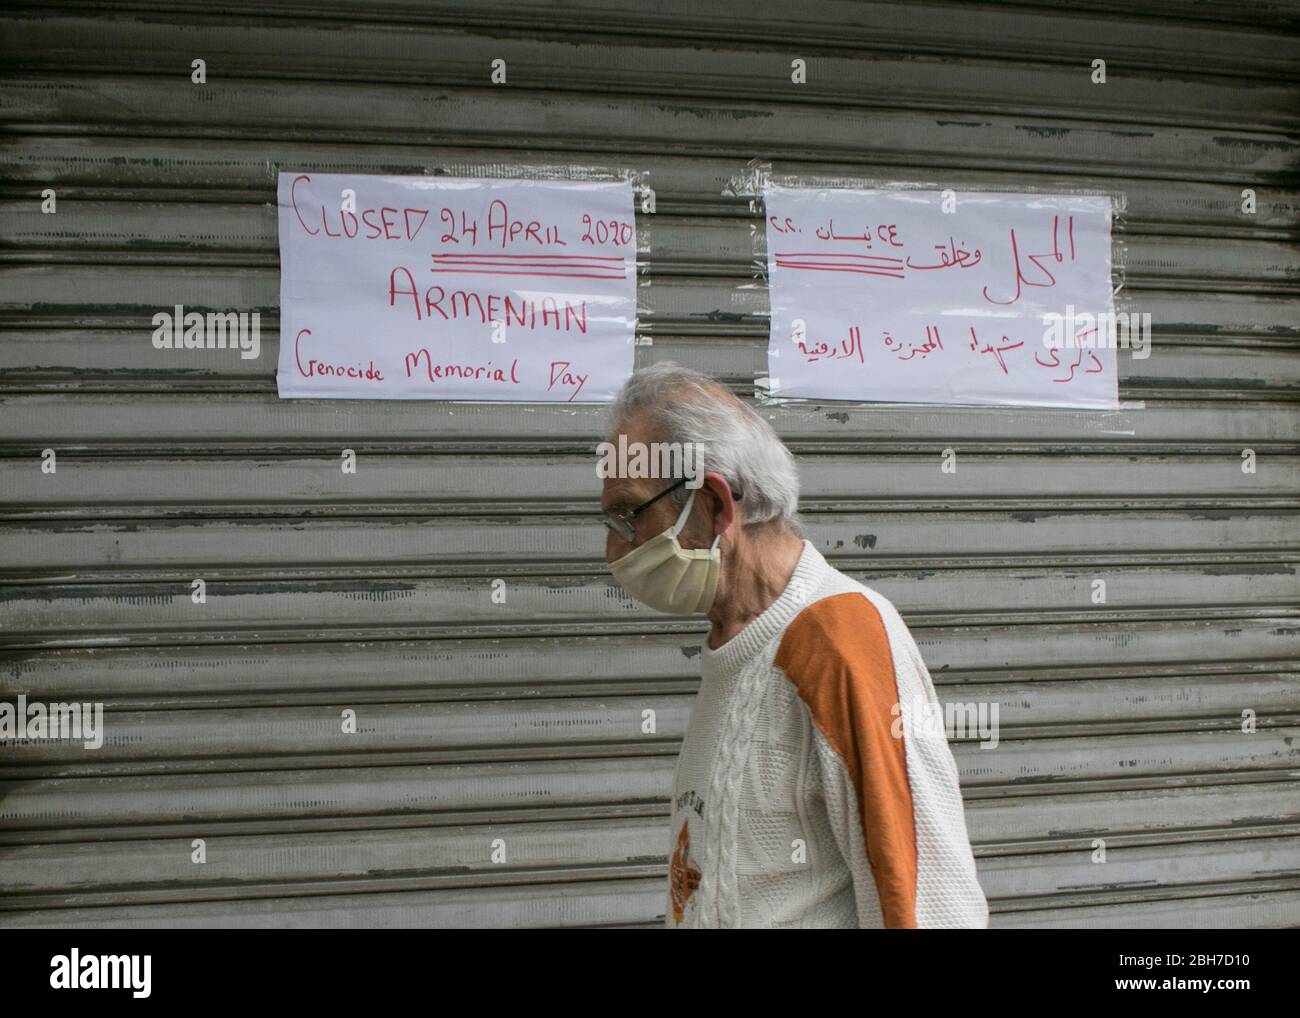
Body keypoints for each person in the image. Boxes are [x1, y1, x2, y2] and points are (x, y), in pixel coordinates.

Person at [598, 362, 989, 929]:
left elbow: (928, 903)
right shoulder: (735, 644)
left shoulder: (839, 638)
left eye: (628, 515)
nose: (614, 550)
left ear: (714, 506)